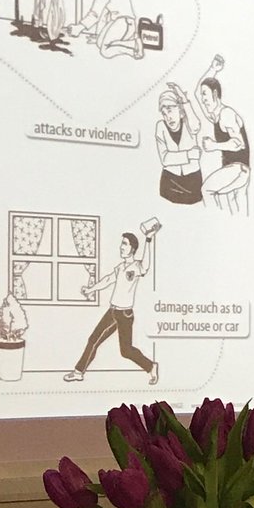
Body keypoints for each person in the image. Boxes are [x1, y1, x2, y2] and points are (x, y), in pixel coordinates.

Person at [64, 230, 158, 383]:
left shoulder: (136, 267)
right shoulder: (120, 267)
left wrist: (148, 239)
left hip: (125, 315)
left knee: (126, 351)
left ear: (133, 248)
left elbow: (146, 266)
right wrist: (91, 289)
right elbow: (108, 280)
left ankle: (151, 366)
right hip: (112, 311)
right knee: (93, 339)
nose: (121, 247)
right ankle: (78, 372)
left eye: (125, 244)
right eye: (121, 243)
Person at [195, 55, 251, 214]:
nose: (202, 100)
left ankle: (211, 220)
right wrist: (213, 69)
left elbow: (238, 143)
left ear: (215, 94)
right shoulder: (215, 116)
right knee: (236, 210)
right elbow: (197, 91)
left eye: (205, 95)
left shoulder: (226, 114)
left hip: (238, 168)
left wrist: (214, 145)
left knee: (206, 190)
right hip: (236, 170)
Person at [155, 82, 203, 204]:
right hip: (169, 181)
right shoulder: (160, 127)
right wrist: (189, 155)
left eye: (170, 111)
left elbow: (196, 126)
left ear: (180, 110)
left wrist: (184, 100)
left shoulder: (189, 122)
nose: (168, 117)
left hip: (192, 181)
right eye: (164, 114)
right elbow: (165, 159)